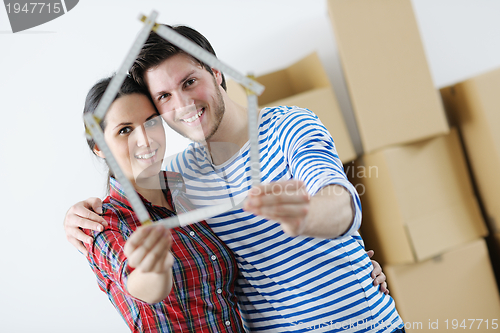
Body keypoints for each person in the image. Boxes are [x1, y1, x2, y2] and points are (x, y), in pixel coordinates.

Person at [66, 25, 405, 332]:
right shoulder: (180, 178)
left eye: (189, 82)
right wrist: (74, 218)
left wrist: (309, 216)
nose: (182, 104)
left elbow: (340, 201)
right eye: (164, 97)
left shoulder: (289, 127)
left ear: (216, 73)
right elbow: (126, 197)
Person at [81, 75, 244, 332]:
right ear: (99, 146)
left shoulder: (184, 187)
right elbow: (142, 286)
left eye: (151, 122)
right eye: (125, 130)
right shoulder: (102, 224)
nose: (145, 139)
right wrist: (152, 270)